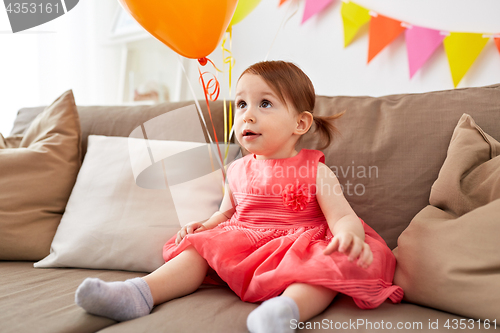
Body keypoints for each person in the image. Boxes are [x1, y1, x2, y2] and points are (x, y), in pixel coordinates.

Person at [75, 61, 403, 333]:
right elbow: (227, 213)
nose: (247, 115)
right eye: (242, 104)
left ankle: (285, 312)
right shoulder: (237, 169)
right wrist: (207, 225)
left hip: (302, 246)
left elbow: (342, 216)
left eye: (265, 104)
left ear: (300, 123)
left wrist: (349, 236)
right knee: (197, 251)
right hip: (245, 243)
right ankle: (139, 293)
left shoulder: (314, 169)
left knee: (323, 271)